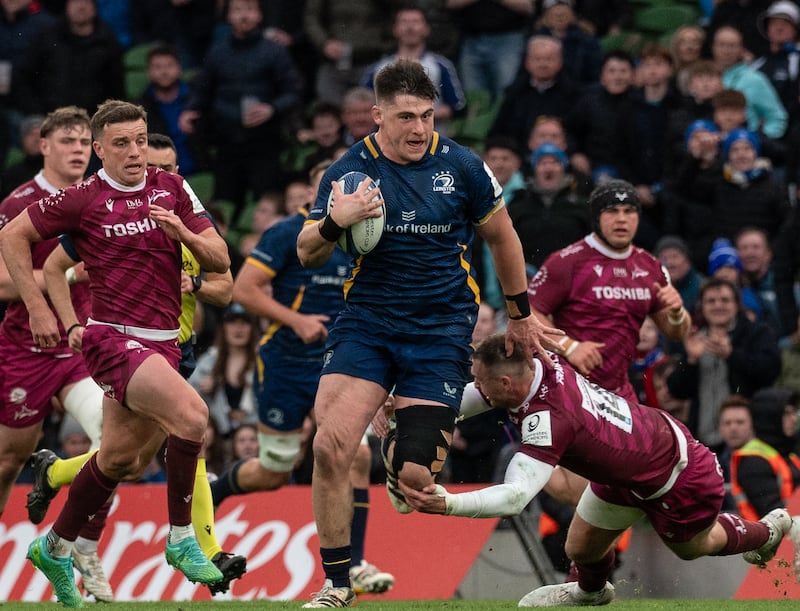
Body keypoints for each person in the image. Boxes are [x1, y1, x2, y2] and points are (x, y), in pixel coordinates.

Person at [295, 60, 561, 607]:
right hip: (367, 324)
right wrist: (335, 219)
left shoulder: (462, 165)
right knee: (330, 445)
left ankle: (399, 448)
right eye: (405, 117)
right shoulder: (347, 172)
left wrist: (518, 313)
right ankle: (336, 583)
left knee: (417, 479)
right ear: (376, 116)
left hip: (440, 330)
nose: (419, 129)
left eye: (426, 115)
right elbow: (306, 249)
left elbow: (503, 238)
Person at [0, 100, 230, 607]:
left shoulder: (172, 188)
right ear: (100, 150)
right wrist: (42, 310)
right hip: (110, 340)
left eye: (141, 140)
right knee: (193, 417)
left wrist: (182, 231)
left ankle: (53, 546)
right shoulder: (83, 199)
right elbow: (12, 236)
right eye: (120, 143)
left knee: (119, 460)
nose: (134, 152)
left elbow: (220, 260)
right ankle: (182, 541)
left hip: (164, 342)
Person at [400, 333, 800, 607]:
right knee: (579, 548)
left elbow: (516, 497)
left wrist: (447, 504)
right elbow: (480, 395)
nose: (477, 388)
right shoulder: (536, 360)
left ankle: (774, 528)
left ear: (507, 381)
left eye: (482, 382)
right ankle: (591, 594)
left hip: (676, 472)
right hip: (627, 465)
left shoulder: (549, 418)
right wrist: (411, 412)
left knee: (692, 547)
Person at [209, 158, 396, 597]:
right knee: (274, 469)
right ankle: (215, 491)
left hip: (345, 360)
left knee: (356, 456)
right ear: (320, 194)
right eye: (336, 188)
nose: (346, 195)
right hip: (287, 362)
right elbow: (244, 290)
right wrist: (295, 321)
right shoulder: (284, 233)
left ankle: (356, 565)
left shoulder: (370, 233)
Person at [0, 105, 114, 602]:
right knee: (7, 461)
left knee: (111, 439)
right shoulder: (18, 203)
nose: (77, 150)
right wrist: (54, 287)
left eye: (85, 142)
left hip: (79, 343)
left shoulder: (98, 197)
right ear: (42, 145)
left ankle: (81, 549)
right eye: (67, 141)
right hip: (25, 344)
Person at [528, 178, 691, 405]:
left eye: (629, 211)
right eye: (612, 211)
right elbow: (528, 313)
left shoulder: (651, 267)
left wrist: (676, 312)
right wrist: (569, 347)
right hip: (568, 388)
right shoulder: (567, 261)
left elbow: (677, 332)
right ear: (596, 217)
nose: (622, 219)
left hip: (619, 393)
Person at [179, 0, 304, 225]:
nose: (243, 16)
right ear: (228, 16)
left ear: (259, 14)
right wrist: (190, 110)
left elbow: (294, 91)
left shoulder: (275, 52)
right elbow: (202, 89)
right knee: (224, 204)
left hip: (265, 142)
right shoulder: (218, 51)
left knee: (266, 202)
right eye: (237, 10)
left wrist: (272, 108)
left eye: (249, 9)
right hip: (227, 140)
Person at [667, 277, 782, 452]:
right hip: (702, 440)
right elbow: (677, 390)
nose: (718, 306)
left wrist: (732, 355)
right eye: (711, 301)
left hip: (749, 439)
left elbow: (770, 371)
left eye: (725, 300)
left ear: (736, 304)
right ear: (702, 307)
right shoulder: (695, 339)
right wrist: (691, 361)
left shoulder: (757, 332)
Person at [361, 6, 465, 129]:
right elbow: (363, 106)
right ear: (394, 29)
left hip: (433, 140)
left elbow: (458, 107)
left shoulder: (441, 66)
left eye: (415, 22)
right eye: (404, 22)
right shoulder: (377, 68)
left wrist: (416, 114)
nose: (410, 28)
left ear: (426, 29)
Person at [15, 0, 125, 116]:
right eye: (75, 1)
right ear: (66, 6)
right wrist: (36, 112)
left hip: (92, 121)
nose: (81, 6)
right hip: (49, 118)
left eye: (86, 2)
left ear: (95, 8)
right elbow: (25, 77)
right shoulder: (48, 38)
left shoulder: (108, 42)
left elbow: (116, 89)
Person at [730, 387, 800, 521]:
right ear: (770, 416)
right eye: (786, 413)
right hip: (767, 540)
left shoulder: (788, 453)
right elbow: (774, 514)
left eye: (794, 412)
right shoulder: (753, 461)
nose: (794, 419)